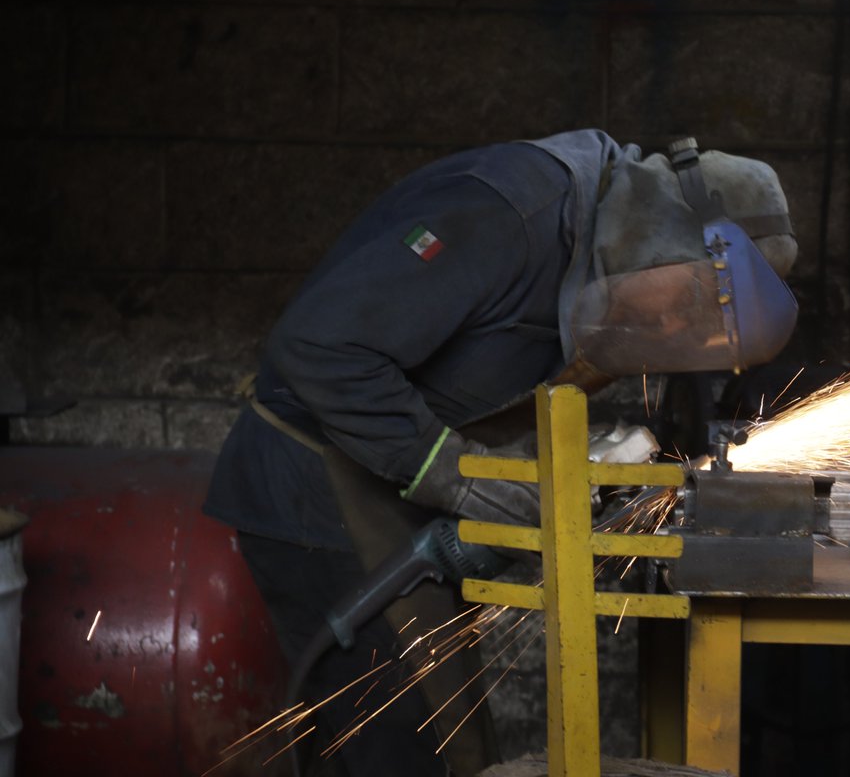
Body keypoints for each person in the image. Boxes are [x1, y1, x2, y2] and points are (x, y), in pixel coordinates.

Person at [203, 130, 800, 776]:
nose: (678, 328)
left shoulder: (597, 248)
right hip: (317, 488)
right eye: (686, 304)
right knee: (407, 745)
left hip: (388, 482)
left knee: (443, 736)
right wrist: (459, 481)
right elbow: (322, 349)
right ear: (666, 235)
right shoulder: (507, 215)